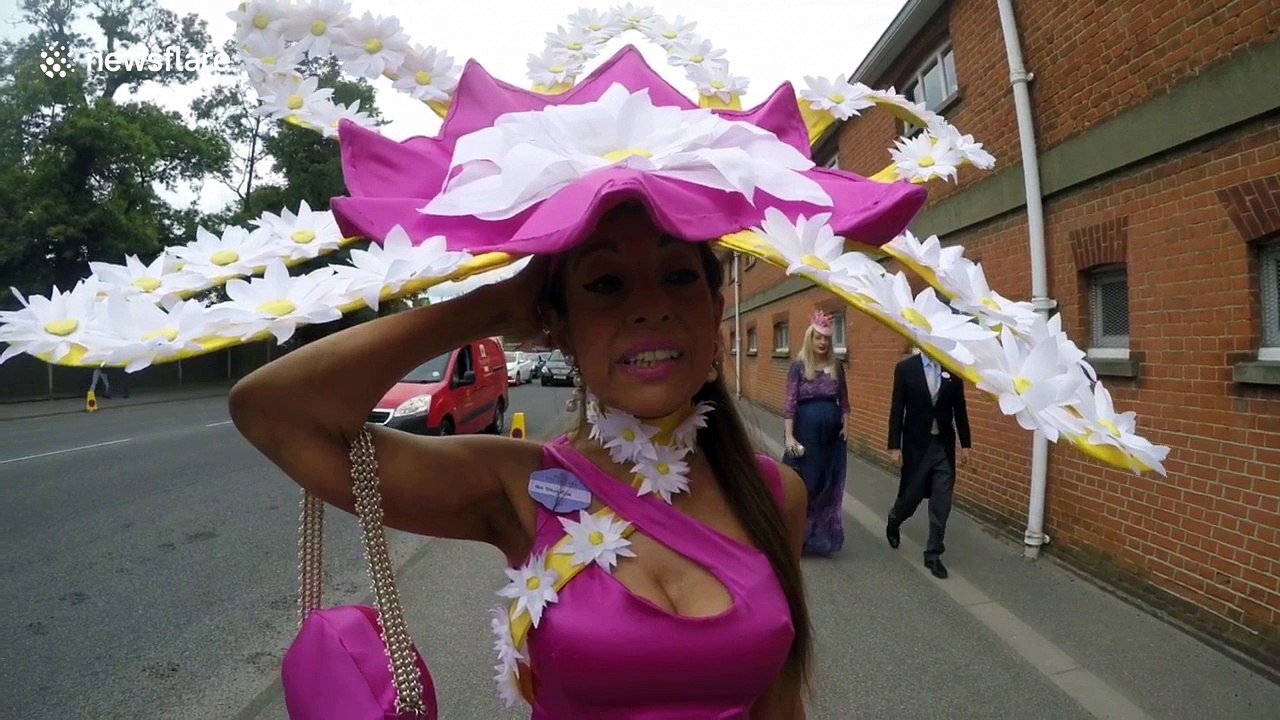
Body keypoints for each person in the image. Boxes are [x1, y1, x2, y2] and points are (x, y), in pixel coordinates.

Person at [231, 203, 836, 718]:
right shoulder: (517, 487)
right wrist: (492, 308)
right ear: (558, 328)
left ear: (715, 309)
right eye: (606, 283)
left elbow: (780, 704)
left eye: (678, 275)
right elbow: (274, 413)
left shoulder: (776, 495)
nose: (651, 307)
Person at [886, 348, 972, 579]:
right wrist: (894, 446)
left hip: (943, 446)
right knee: (910, 497)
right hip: (917, 446)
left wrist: (965, 444)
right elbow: (897, 409)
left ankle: (933, 553)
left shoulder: (952, 370)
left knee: (941, 501)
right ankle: (894, 519)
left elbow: (960, 408)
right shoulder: (906, 369)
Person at [782, 311, 850, 556]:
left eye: (826, 339)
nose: (822, 342)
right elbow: (790, 403)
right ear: (810, 339)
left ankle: (820, 538)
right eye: (818, 338)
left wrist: (846, 427)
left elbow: (844, 401)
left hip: (832, 439)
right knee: (806, 485)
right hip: (807, 434)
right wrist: (789, 437)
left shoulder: (836, 366)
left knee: (827, 485)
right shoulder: (798, 366)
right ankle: (797, 537)